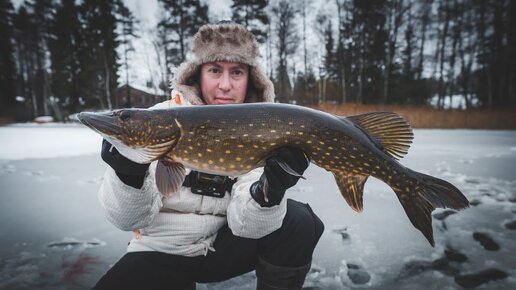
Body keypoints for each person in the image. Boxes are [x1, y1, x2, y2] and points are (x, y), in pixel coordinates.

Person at [93, 21, 324, 290]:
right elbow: (128, 220)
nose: (225, 85)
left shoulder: (262, 127)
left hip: (222, 247)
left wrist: (268, 192)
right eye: (215, 70)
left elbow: (248, 226)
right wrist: (127, 176)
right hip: (160, 251)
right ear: (198, 74)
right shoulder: (157, 118)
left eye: (236, 72)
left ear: (250, 78)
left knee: (298, 222)